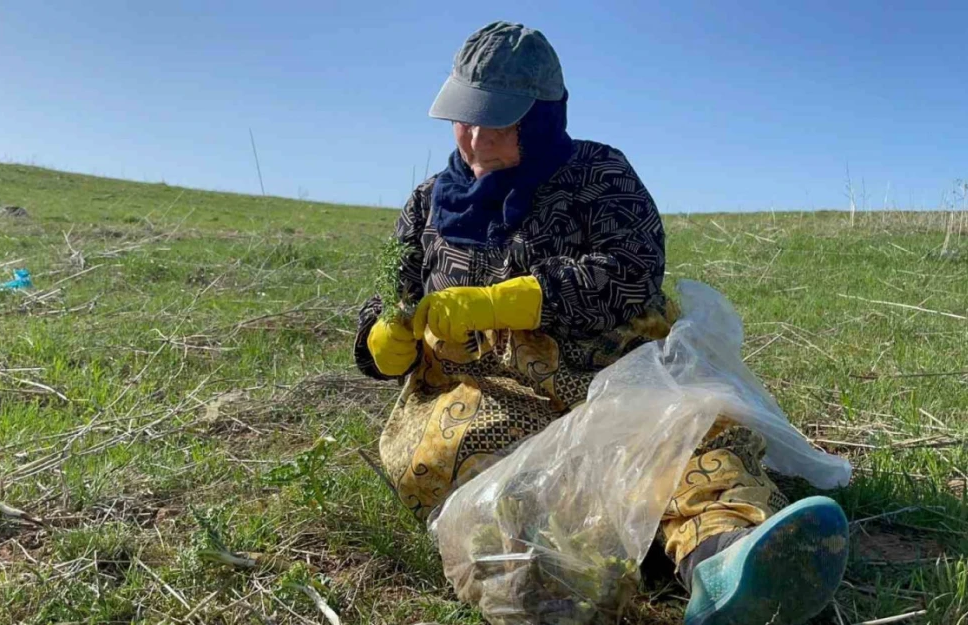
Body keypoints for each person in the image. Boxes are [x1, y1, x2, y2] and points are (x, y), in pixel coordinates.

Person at [354, 21, 849, 625]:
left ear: (541, 119)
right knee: (509, 496)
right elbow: (391, 300)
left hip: (609, 377)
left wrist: (506, 302)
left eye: (499, 120)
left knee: (682, 442)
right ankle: (561, 584)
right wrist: (382, 341)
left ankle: (728, 567)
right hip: (488, 397)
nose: (477, 139)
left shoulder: (600, 175)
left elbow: (632, 271)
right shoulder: (426, 203)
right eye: (464, 117)